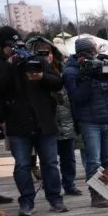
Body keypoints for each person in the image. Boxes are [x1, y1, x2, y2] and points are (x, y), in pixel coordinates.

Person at [0, 26, 67, 216]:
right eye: (10, 45)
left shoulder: (36, 59)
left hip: (43, 120)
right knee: (22, 165)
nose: (15, 49)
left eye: (18, 44)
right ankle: (26, 202)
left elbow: (57, 82)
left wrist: (41, 76)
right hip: (17, 122)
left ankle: (55, 199)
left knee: (50, 163)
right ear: (3, 46)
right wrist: (11, 66)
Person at [63, 37, 108, 208]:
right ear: (79, 56)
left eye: (93, 53)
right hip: (89, 122)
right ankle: (96, 195)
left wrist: (107, 74)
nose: (92, 57)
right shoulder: (70, 72)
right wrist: (88, 77)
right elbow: (77, 98)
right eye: (88, 54)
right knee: (94, 162)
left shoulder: (101, 65)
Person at [27, 36, 82, 197]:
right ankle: (50, 185)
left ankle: (69, 184)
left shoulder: (63, 70)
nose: (47, 56)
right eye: (41, 53)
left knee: (68, 157)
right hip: (46, 123)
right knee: (48, 159)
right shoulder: (31, 73)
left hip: (65, 118)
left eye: (48, 52)